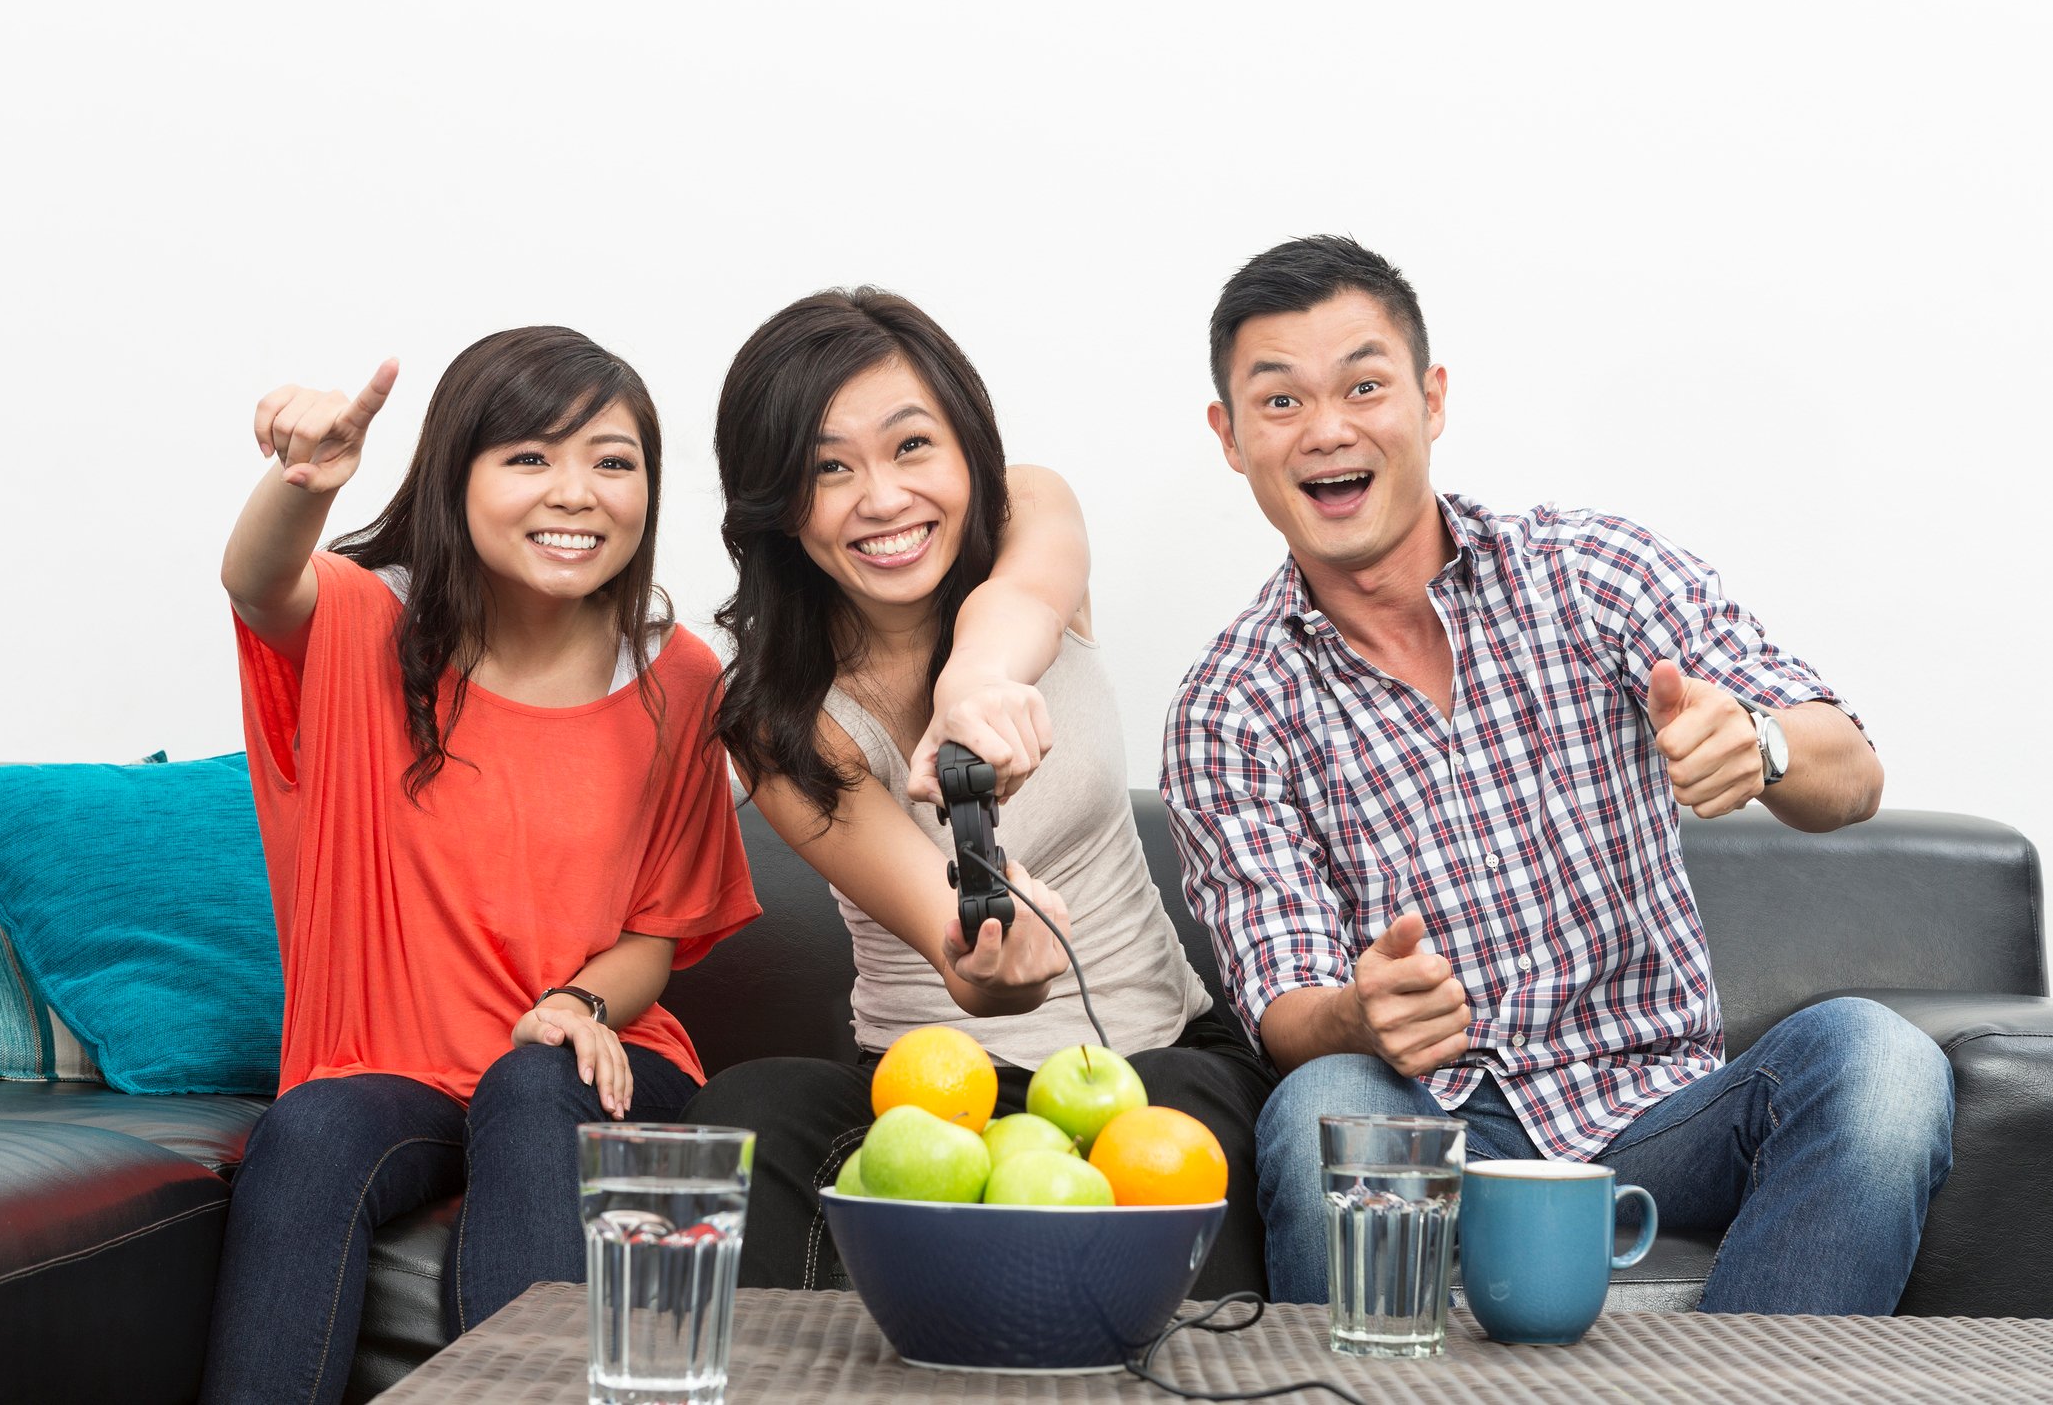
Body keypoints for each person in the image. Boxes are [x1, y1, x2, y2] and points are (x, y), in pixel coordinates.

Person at [1160, 236, 1954, 1311]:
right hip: (1426, 1122)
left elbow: (1849, 769)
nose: (1331, 428)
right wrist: (1361, 1013)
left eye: (1363, 384)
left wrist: (1759, 745)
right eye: (1282, 401)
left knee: (1884, 1063)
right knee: (1321, 1108)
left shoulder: (1591, 573)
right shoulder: (1229, 704)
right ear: (1231, 436)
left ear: (1430, 400)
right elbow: (1284, 1001)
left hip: (1658, 1112)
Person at [205, 326, 760, 1405]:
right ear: (457, 476)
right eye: (528, 457)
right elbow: (258, 579)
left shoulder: (678, 677)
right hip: (396, 1060)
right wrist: (302, 484)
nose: (578, 491)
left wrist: (575, 1002)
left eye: (613, 460)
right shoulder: (371, 627)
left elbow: (655, 933)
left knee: (529, 1078)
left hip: (592, 1056)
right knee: (310, 1126)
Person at [681, 288, 1274, 1297]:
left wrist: (975, 685)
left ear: (967, 451)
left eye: (913, 447)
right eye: (829, 468)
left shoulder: (1028, 511)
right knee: (749, 1109)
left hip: (1152, 1053)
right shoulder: (777, 721)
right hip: (930, 1096)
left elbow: (1025, 595)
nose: (881, 497)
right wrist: (993, 962)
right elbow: (945, 935)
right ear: (777, 503)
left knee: (1166, 1118)